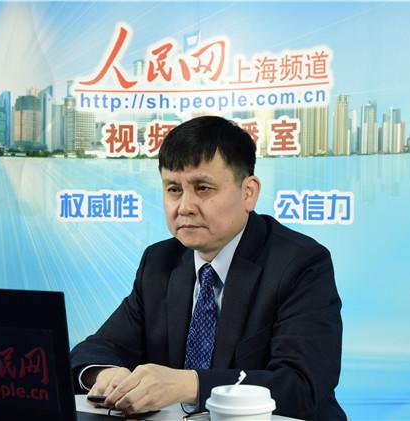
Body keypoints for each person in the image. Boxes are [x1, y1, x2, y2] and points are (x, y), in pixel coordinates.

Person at [70, 116, 346, 420]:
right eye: (173, 189)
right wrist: (106, 374)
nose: (185, 207)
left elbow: (300, 386)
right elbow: (95, 349)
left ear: (248, 192)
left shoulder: (300, 264)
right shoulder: (160, 261)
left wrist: (189, 385)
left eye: (202, 188)